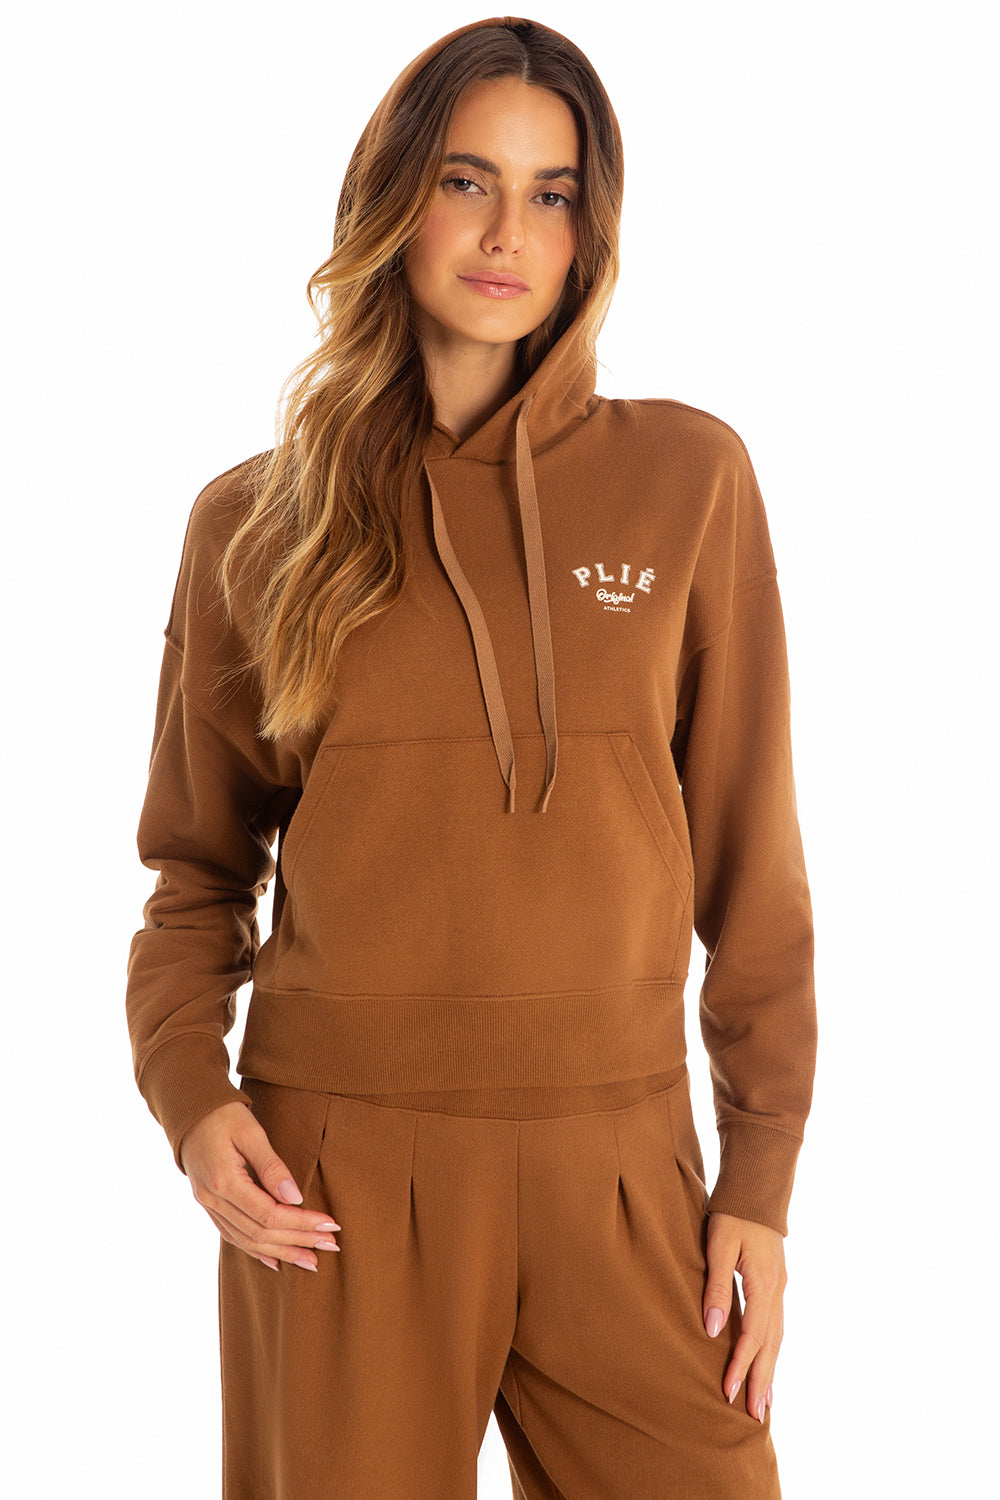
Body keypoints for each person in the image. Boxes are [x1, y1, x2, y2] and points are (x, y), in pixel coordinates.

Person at [126, 16, 816, 1498]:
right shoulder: (256, 524)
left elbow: (755, 861)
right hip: (335, 1175)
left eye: (551, 193)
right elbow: (194, 872)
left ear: (589, 230)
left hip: (624, 1162)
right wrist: (191, 1097)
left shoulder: (688, 478)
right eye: (466, 180)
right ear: (394, 198)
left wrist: (760, 1179)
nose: (510, 232)